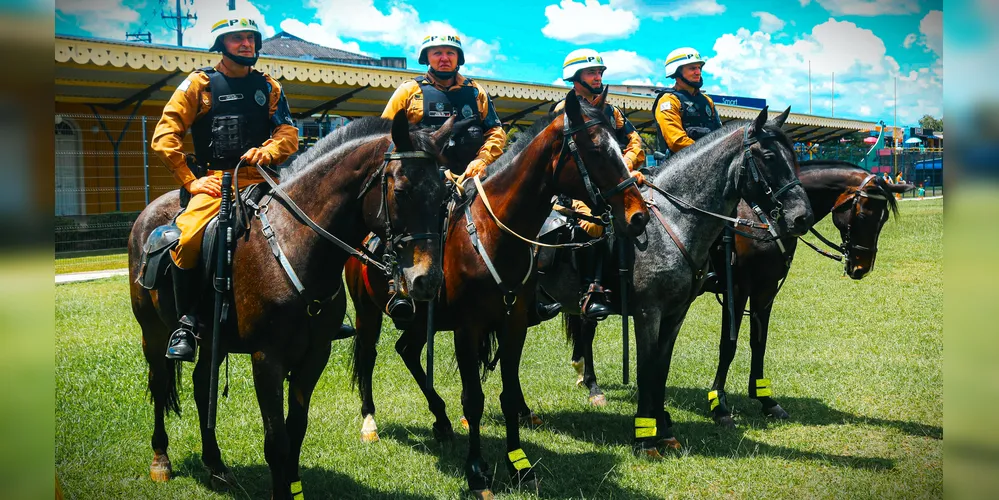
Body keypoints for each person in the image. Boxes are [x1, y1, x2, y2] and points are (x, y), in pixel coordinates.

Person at [151, 13, 300, 362]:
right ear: (221, 45)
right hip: (217, 183)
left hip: (264, 178)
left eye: (250, 38)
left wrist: (269, 150)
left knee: (310, 224)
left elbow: (288, 132)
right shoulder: (198, 85)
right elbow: (164, 137)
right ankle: (186, 323)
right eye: (237, 39)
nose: (246, 43)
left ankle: (318, 308)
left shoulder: (269, 87)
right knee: (187, 240)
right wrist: (192, 180)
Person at [551, 48, 646, 321]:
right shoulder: (563, 110)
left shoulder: (610, 110)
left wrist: (624, 165)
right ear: (575, 76)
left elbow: (635, 142)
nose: (597, 77)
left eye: (599, 72)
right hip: (576, 188)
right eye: (591, 72)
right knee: (592, 223)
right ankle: (590, 289)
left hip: (613, 182)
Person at [382, 33, 506, 182]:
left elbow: (496, 132)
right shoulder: (408, 91)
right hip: (422, 184)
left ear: (458, 58)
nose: (444, 58)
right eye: (437, 53)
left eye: (450, 53)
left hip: (471, 181)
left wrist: (482, 160)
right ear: (427, 58)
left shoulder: (476, 92)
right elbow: (384, 135)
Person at [653, 47, 722, 154]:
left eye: (699, 68)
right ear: (677, 71)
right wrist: (710, 153)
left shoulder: (707, 100)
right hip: (679, 165)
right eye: (692, 68)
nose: (698, 72)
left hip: (712, 159)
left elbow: (720, 132)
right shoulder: (669, 101)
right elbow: (677, 142)